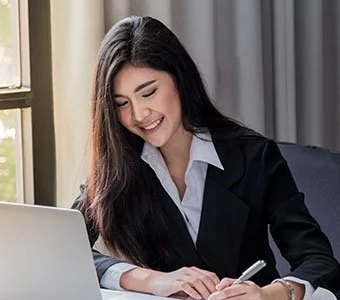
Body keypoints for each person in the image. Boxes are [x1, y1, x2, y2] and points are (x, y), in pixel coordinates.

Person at [72, 15, 340, 300]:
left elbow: (319, 261)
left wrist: (269, 294)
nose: (138, 115)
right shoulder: (119, 164)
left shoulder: (254, 157)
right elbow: (66, 250)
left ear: (179, 79)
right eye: (122, 104)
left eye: (149, 92)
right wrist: (150, 280)